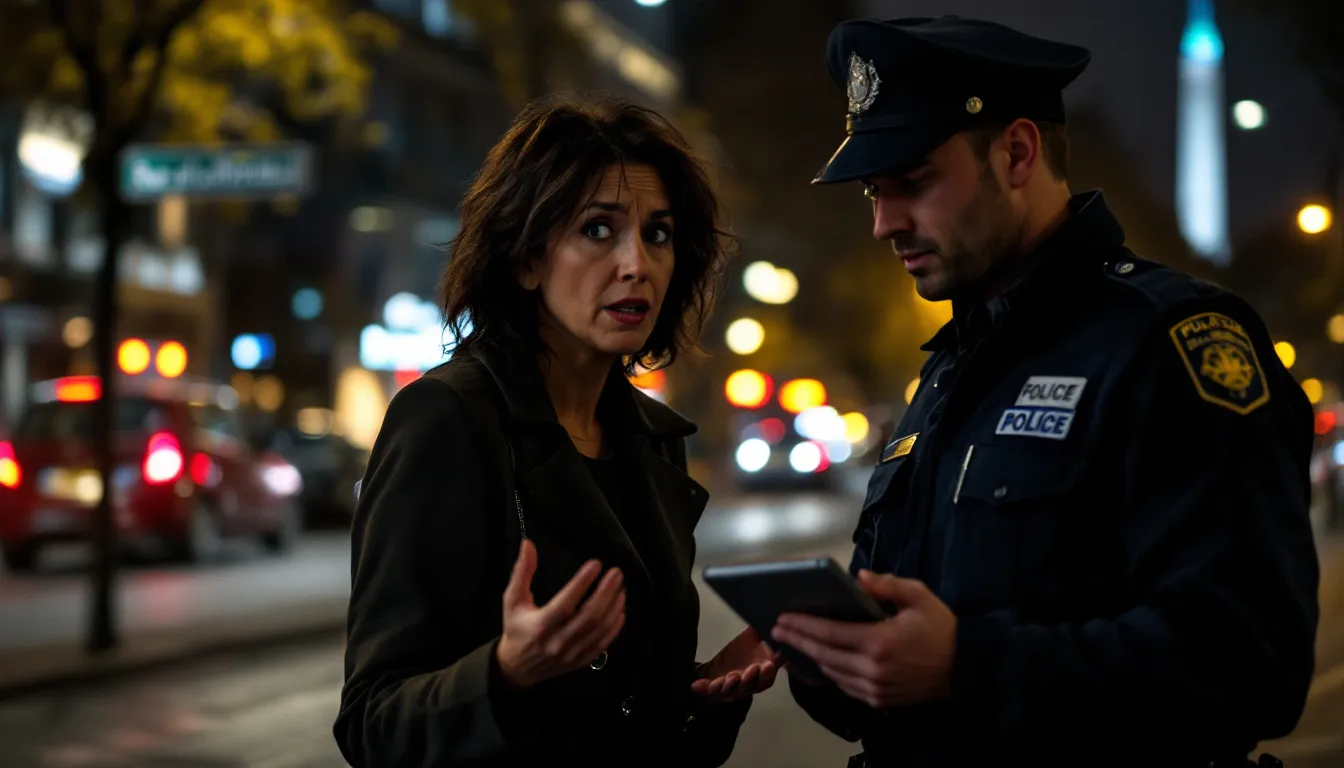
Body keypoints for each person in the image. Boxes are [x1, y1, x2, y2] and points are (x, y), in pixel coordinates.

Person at [773, 16, 1320, 768]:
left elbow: (1253, 661)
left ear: (1018, 153)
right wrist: (825, 654)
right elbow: (905, 641)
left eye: (913, 183)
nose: (883, 224)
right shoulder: (951, 367)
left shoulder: (1166, 342)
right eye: (872, 191)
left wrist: (968, 665)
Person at [334, 95, 780, 767]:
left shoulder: (653, 436)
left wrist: (704, 693)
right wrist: (505, 674)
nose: (637, 263)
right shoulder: (449, 419)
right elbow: (374, 723)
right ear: (526, 259)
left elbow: (623, 711)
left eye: (657, 234)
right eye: (598, 230)